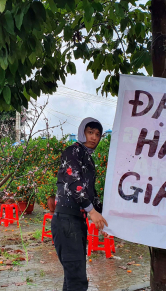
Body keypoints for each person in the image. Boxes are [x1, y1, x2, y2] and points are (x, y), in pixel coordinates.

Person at [51, 117, 109, 291]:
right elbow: (74, 184)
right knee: (77, 281)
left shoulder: (88, 159)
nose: (94, 137)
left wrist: (106, 218)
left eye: (97, 134)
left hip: (76, 221)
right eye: (90, 132)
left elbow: (91, 194)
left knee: (72, 279)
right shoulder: (72, 152)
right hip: (66, 220)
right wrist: (92, 212)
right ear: (81, 132)